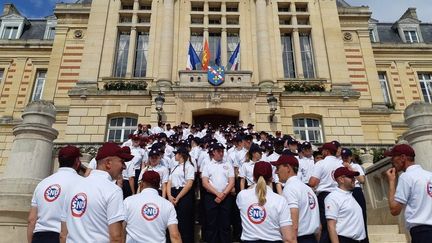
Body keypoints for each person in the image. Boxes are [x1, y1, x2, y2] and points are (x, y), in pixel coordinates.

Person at [60, 142, 133, 243]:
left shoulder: (73, 187)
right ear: (108, 163)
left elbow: (63, 234)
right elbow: (116, 237)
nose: (124, 167)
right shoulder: (113, 190)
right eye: (122, 161)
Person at [27, 145, 83, 243]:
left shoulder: (43, 183)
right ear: (77, 162)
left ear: (59, 161)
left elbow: (32, 220)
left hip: (39, 235)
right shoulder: (82, 183)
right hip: (65, 236)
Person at [236, 161, 297, 243]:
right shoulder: (280, 200)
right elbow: (288, 238)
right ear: (271, 178)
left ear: (253, 177)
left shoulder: (242, 196)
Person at [385, 144, 432, 243]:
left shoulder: (406, 177)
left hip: (421, 232)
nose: (392, 162)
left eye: (393, 158)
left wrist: (392, 181)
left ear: (403, 157)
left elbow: (394, 210)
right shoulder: (429, 175)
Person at [123, 170, 182, 243]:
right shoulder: (168, 205)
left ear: (141, 184)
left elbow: (120, 229)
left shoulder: (128, 201)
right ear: (158, 186)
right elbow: (175, 236)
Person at [273, 155, 320, 243]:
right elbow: (319, 226)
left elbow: (293, 225)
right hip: (312, 238)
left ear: (287, 167)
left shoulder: (290, 189)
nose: (276, 172)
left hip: (298, 239)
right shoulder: (308, 189)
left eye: (278, 168)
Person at [308, 142, 343, 243]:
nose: (321, 152)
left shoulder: (321, 163)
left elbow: (313, 182)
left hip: (325, 196)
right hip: (340, 195)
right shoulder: (340, 163)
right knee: (338, 225)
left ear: (326, 151)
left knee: (326, 225)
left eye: (322, 150)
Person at [202, 143, 235, 243]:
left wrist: (223, 194)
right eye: (219, 151)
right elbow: (205, 182)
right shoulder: (207, 165)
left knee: (225, 223)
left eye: (222, 151)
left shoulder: (228, 165)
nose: (221, 153)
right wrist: (217, 193)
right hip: (211, 197)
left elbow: (232, 181)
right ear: (213, 152)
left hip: (226, 197)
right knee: (211, 223)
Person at [325, 167, 366, 243]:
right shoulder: (333, 197)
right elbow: (331, 226)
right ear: (341, 179)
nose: (354, 179)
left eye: (353, 177)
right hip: (345, 240)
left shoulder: (351, 196)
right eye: (350, 177)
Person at [167, 146, 195, 243]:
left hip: (183, 194)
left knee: (184, 221)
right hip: (173, 192)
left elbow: (189, 184)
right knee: (173, 220)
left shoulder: (189, 167)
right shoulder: (175, 167)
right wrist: (170, 196)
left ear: (180, 155)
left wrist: (178, 198)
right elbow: (169, 182)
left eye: (176, 154)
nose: (175, 156)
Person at [340, 148, 368, 243]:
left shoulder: (356, 166)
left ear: (350, 157)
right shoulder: (339, 166)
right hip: (344, 192)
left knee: (362, 217)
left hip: (356, 190)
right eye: (343, 157)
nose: (344, 159)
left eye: (346, 157)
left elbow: (362, 180)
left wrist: (350, 169)